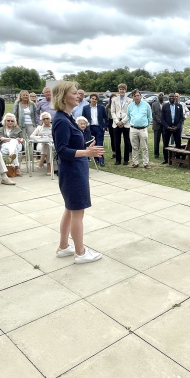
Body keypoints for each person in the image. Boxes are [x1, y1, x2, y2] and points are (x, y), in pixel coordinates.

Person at [51, 81, 106, 264]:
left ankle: (64, 246)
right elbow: (62, 150)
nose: (78, 96)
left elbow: (71, 145)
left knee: (70, 209)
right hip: (72, 171)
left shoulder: (67, 118)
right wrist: (86, 152)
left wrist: (84, 147)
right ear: (63, 96)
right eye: (74, 93)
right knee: (77, 212)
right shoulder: (61, 120)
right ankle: (80, 252)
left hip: (75, 170)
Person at [127, 89, 152, 169]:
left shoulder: (146, 105)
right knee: (134, 147)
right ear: (133, 97)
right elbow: (128, 117)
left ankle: (146, 163)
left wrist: (146, 125)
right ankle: (135, 163)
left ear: (140, 96)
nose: (137, 97)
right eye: (135, 96)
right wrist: (133, 124)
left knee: (144, 147)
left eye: (138, 95)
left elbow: (149, 117)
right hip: (133, 129)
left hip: (143, 129)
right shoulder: (130, 106)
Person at [108, 83, 132, 165]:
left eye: (123, 89)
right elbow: (112, 112)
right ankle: (118, 159)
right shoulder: (114, 100)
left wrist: (123, 121)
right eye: (120, 89)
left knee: (126, 142)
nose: (122, 90)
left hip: (125, 123)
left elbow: (129, 113)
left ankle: (126, 160)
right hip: (116, 123)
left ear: (125, 90)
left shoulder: (129, 100)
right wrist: (117, 121)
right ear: (118, 90)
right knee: (117, 142)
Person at [81, 93, 108, 167]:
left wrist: (105, 126)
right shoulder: (85, 108)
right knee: (92, 144)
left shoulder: (101, 107)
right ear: (90, 99)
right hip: (90, 128)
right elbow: (83, 118)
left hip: (99, 127)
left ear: (97, 100)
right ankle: (95, 158)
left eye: (95, 99)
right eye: (92, 99)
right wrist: (84, 127)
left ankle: (101, 160)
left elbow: (106, 118)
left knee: (99, 144)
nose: (94, 100)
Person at [161, 93, 185, 164]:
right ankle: (165, 159)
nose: (171, 97)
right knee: (165, 143)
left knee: (178, 143)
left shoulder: (179, 106)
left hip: (176, 128)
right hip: (167, 128)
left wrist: (177, 126)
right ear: (168, 98)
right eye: (170, 96)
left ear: (175, 98)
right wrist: (167, 126)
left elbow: (181, 118)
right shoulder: (165, 106)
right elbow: (162, 118)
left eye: (173, 96)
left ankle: (178, 158)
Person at [151, 93, 164, 158]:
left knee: (165, 140)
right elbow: (153, 114)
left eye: (162, 96)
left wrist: (163, 122)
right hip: (156, 125)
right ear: (158, 97)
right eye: (160, 96)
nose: (161, 97)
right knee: (156, 140)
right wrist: (159, 120)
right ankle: (156, 154)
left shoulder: (166, 104)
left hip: (164, 125)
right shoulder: (154, 104)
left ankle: (165, 153)